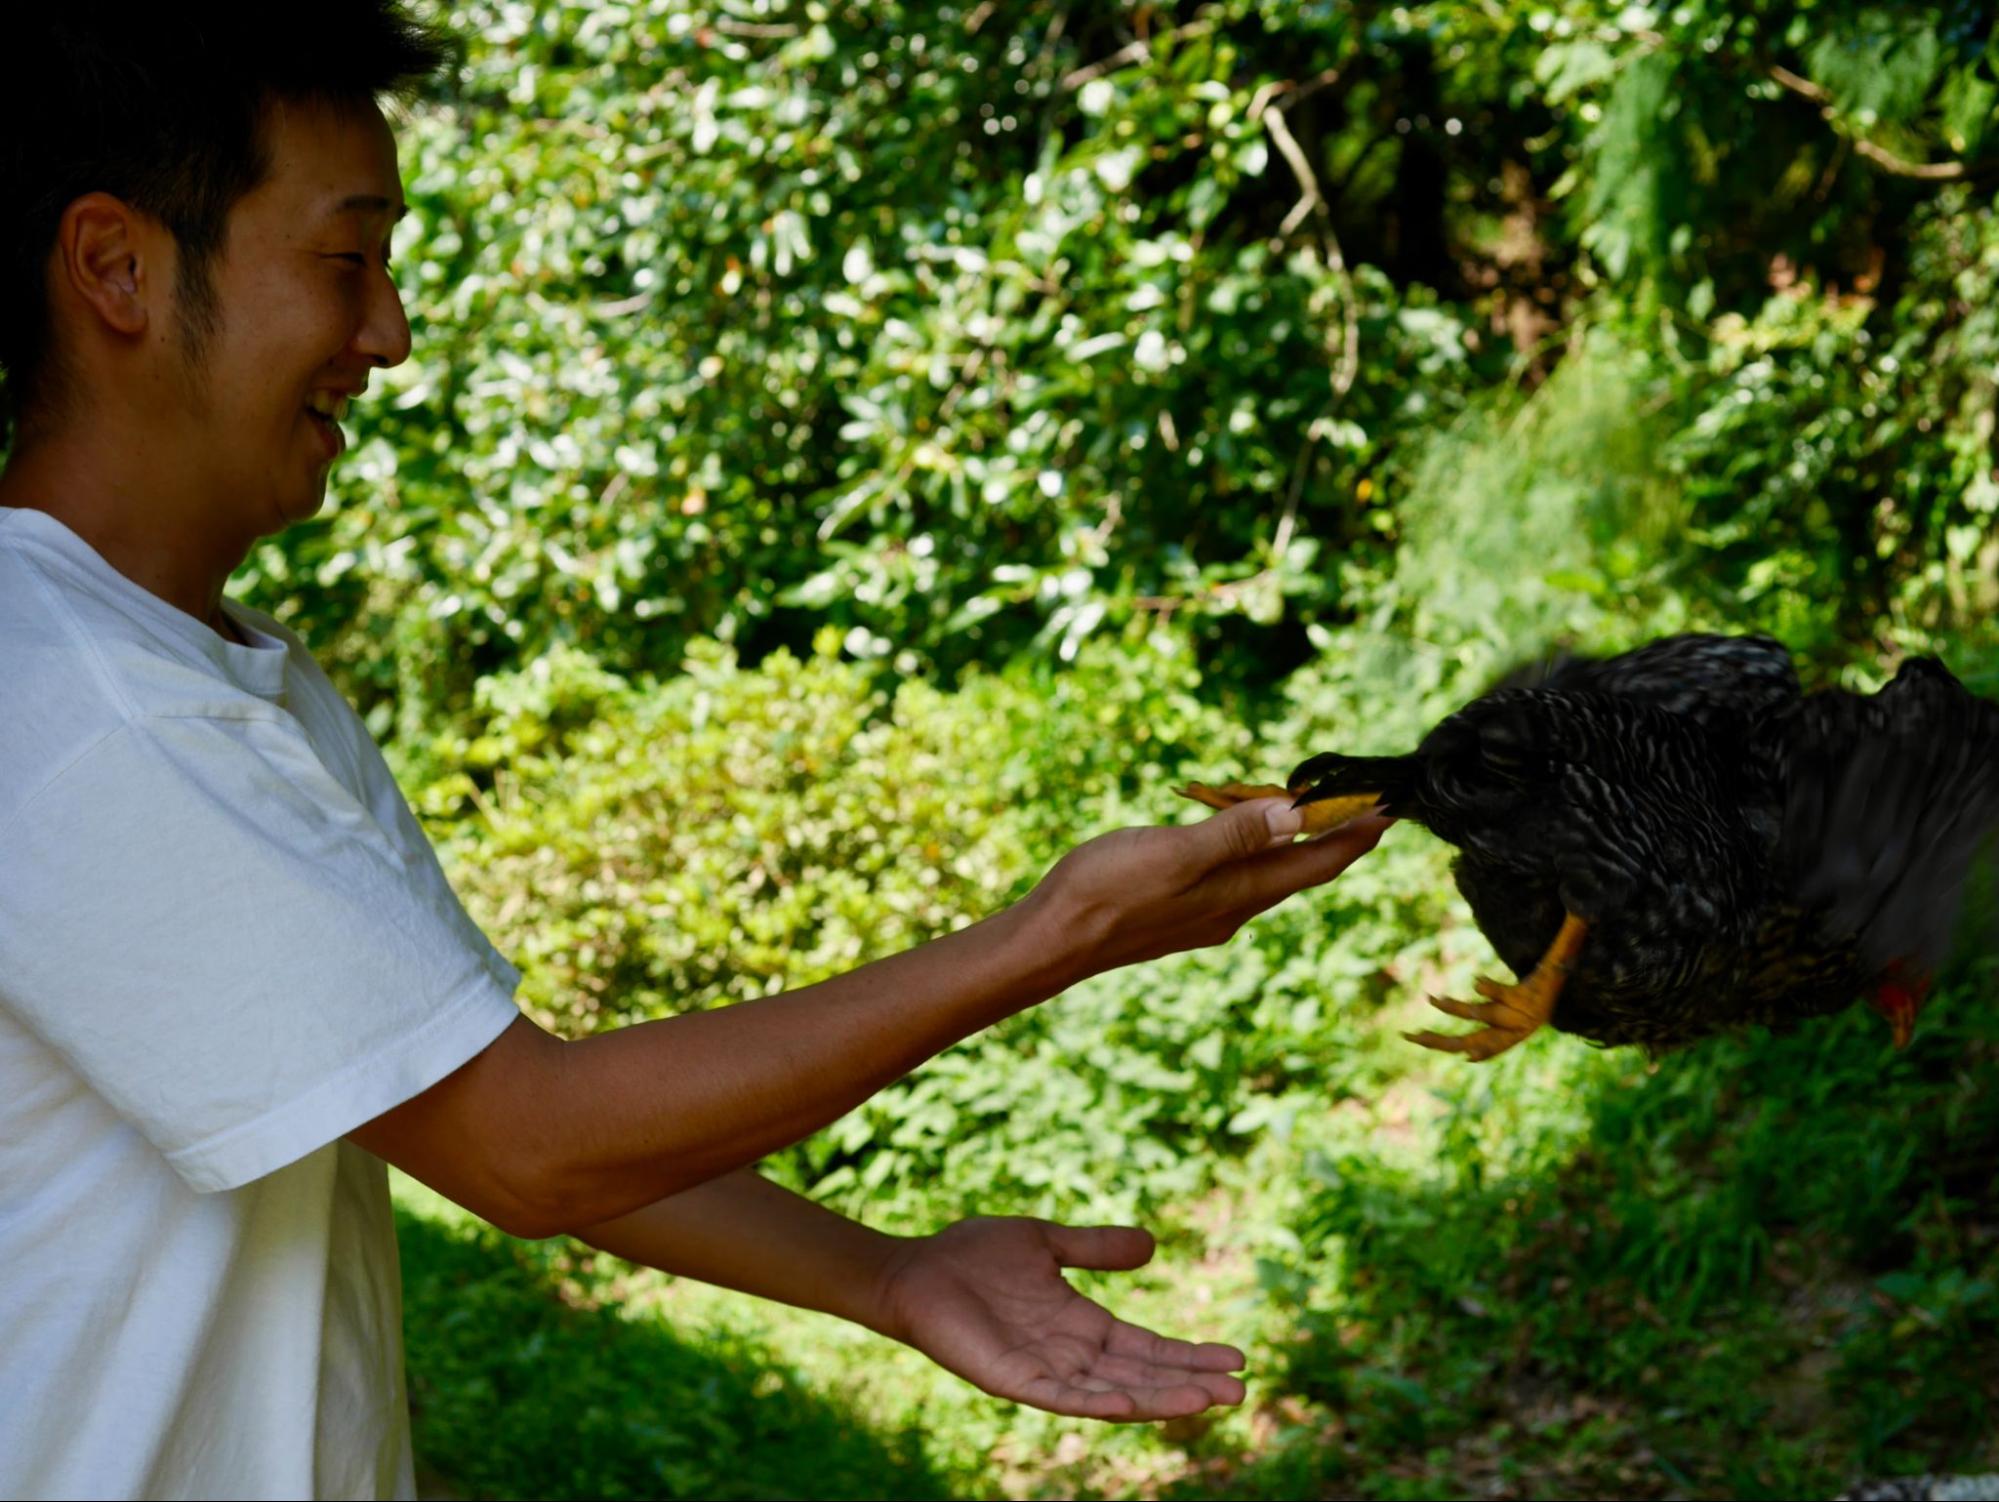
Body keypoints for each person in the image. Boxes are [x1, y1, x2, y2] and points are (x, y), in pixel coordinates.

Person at [0, 7, 1390, 1498]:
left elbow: (476, 1106)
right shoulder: (82, 706)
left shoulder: (216, 673)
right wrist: (1059, 934)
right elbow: (529, 1147)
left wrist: (887, 1277)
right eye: (347, 262)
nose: (389, 335)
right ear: (116, 267)